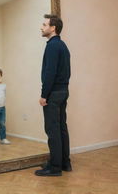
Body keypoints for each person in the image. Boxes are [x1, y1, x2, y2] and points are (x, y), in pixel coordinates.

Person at [35, 14, 71, 177]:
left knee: (52, 130)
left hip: (54, 93)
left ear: (53, 28)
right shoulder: (62, 45)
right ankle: (64, 162)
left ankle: (55, 167)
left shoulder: (52, 46)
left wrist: (44, 95)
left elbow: (50, 72)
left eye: (44, 24)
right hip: (63, 91)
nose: (42, 27)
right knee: (61, 127)